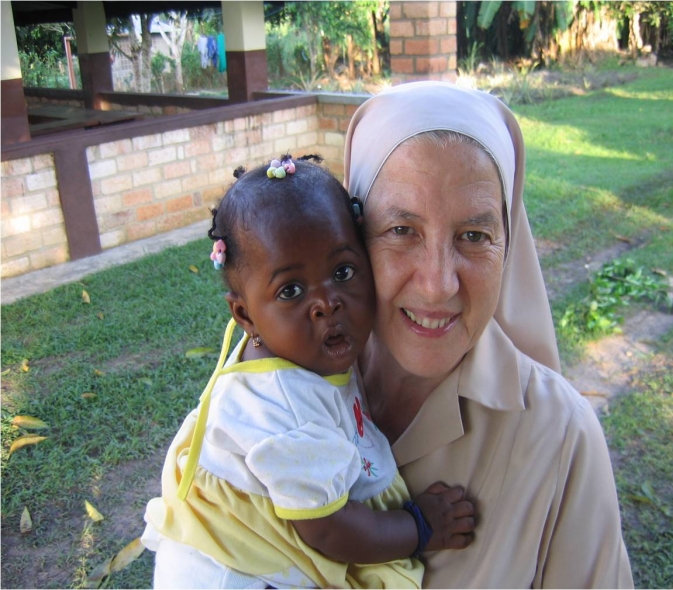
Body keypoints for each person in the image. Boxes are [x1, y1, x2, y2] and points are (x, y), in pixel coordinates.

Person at [343, 82, 634, 588]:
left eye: (474, 237)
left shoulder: (560, 439)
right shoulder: (274, 382)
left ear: (509, 243)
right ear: (353, 233)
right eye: (401, 230)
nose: (437, 285)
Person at [141, 155, 475, 589]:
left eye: (343, 272)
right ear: (245, 316)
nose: (327, 303)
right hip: (233, 573)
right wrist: (420, 527)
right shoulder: (286, 409)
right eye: (291, 290)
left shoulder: (298, 348)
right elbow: (329, 530)